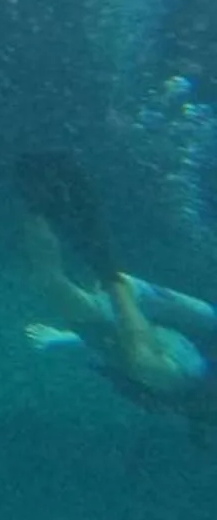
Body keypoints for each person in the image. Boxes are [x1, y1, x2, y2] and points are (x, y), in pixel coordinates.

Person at [17, 152, 217, 434]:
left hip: (166, 357)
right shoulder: (175, 377)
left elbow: (51, 279)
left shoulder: (167, 388)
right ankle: (103, 262)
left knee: (55, 286)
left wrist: (64, 339)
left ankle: (40, 204)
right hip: (192, 346)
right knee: (144, 355)